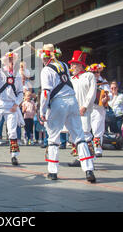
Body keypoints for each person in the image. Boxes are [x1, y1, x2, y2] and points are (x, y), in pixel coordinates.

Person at [37, 44, 96, 183]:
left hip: (59, 103)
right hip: (73, 101)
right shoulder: (64, 65)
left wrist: (42, 110)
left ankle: (52, 171)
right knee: (79, 136)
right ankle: (88, 169)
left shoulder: (46, 70)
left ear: (44, 58)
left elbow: (46, 92)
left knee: (53, 137)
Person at [67, 50, 96, 167]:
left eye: (75, 64)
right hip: (73, 110)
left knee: (85, 132)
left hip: (85, 109)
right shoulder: (71, 79)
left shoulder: (89, 76)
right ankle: (80, 157)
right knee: (75, 134)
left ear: (81, 65)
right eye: (72, 64)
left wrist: (85, 106)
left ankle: (90, 158)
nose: (72, 66)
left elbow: (92, 92)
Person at [86, 63, 110, 157]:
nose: (96, 74)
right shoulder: (87, 81)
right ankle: (87, 148)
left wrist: (106, 98)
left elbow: (109, 94)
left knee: (98, 129)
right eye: (94, 72)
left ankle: (98, 149)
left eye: (98, 72)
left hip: (99, 109)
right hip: (88, 108)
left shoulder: (103, 82)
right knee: (86, 129)